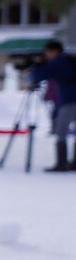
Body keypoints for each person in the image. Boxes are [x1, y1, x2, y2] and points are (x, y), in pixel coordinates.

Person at [30, 40, 76, 172]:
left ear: (55, 51)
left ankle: (61, 163)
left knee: (61, 131)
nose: (47, 55)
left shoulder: (59, 62)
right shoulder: (69, 60)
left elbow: (39, 75)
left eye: (48, 52)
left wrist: (37, 66)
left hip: (69, 100)